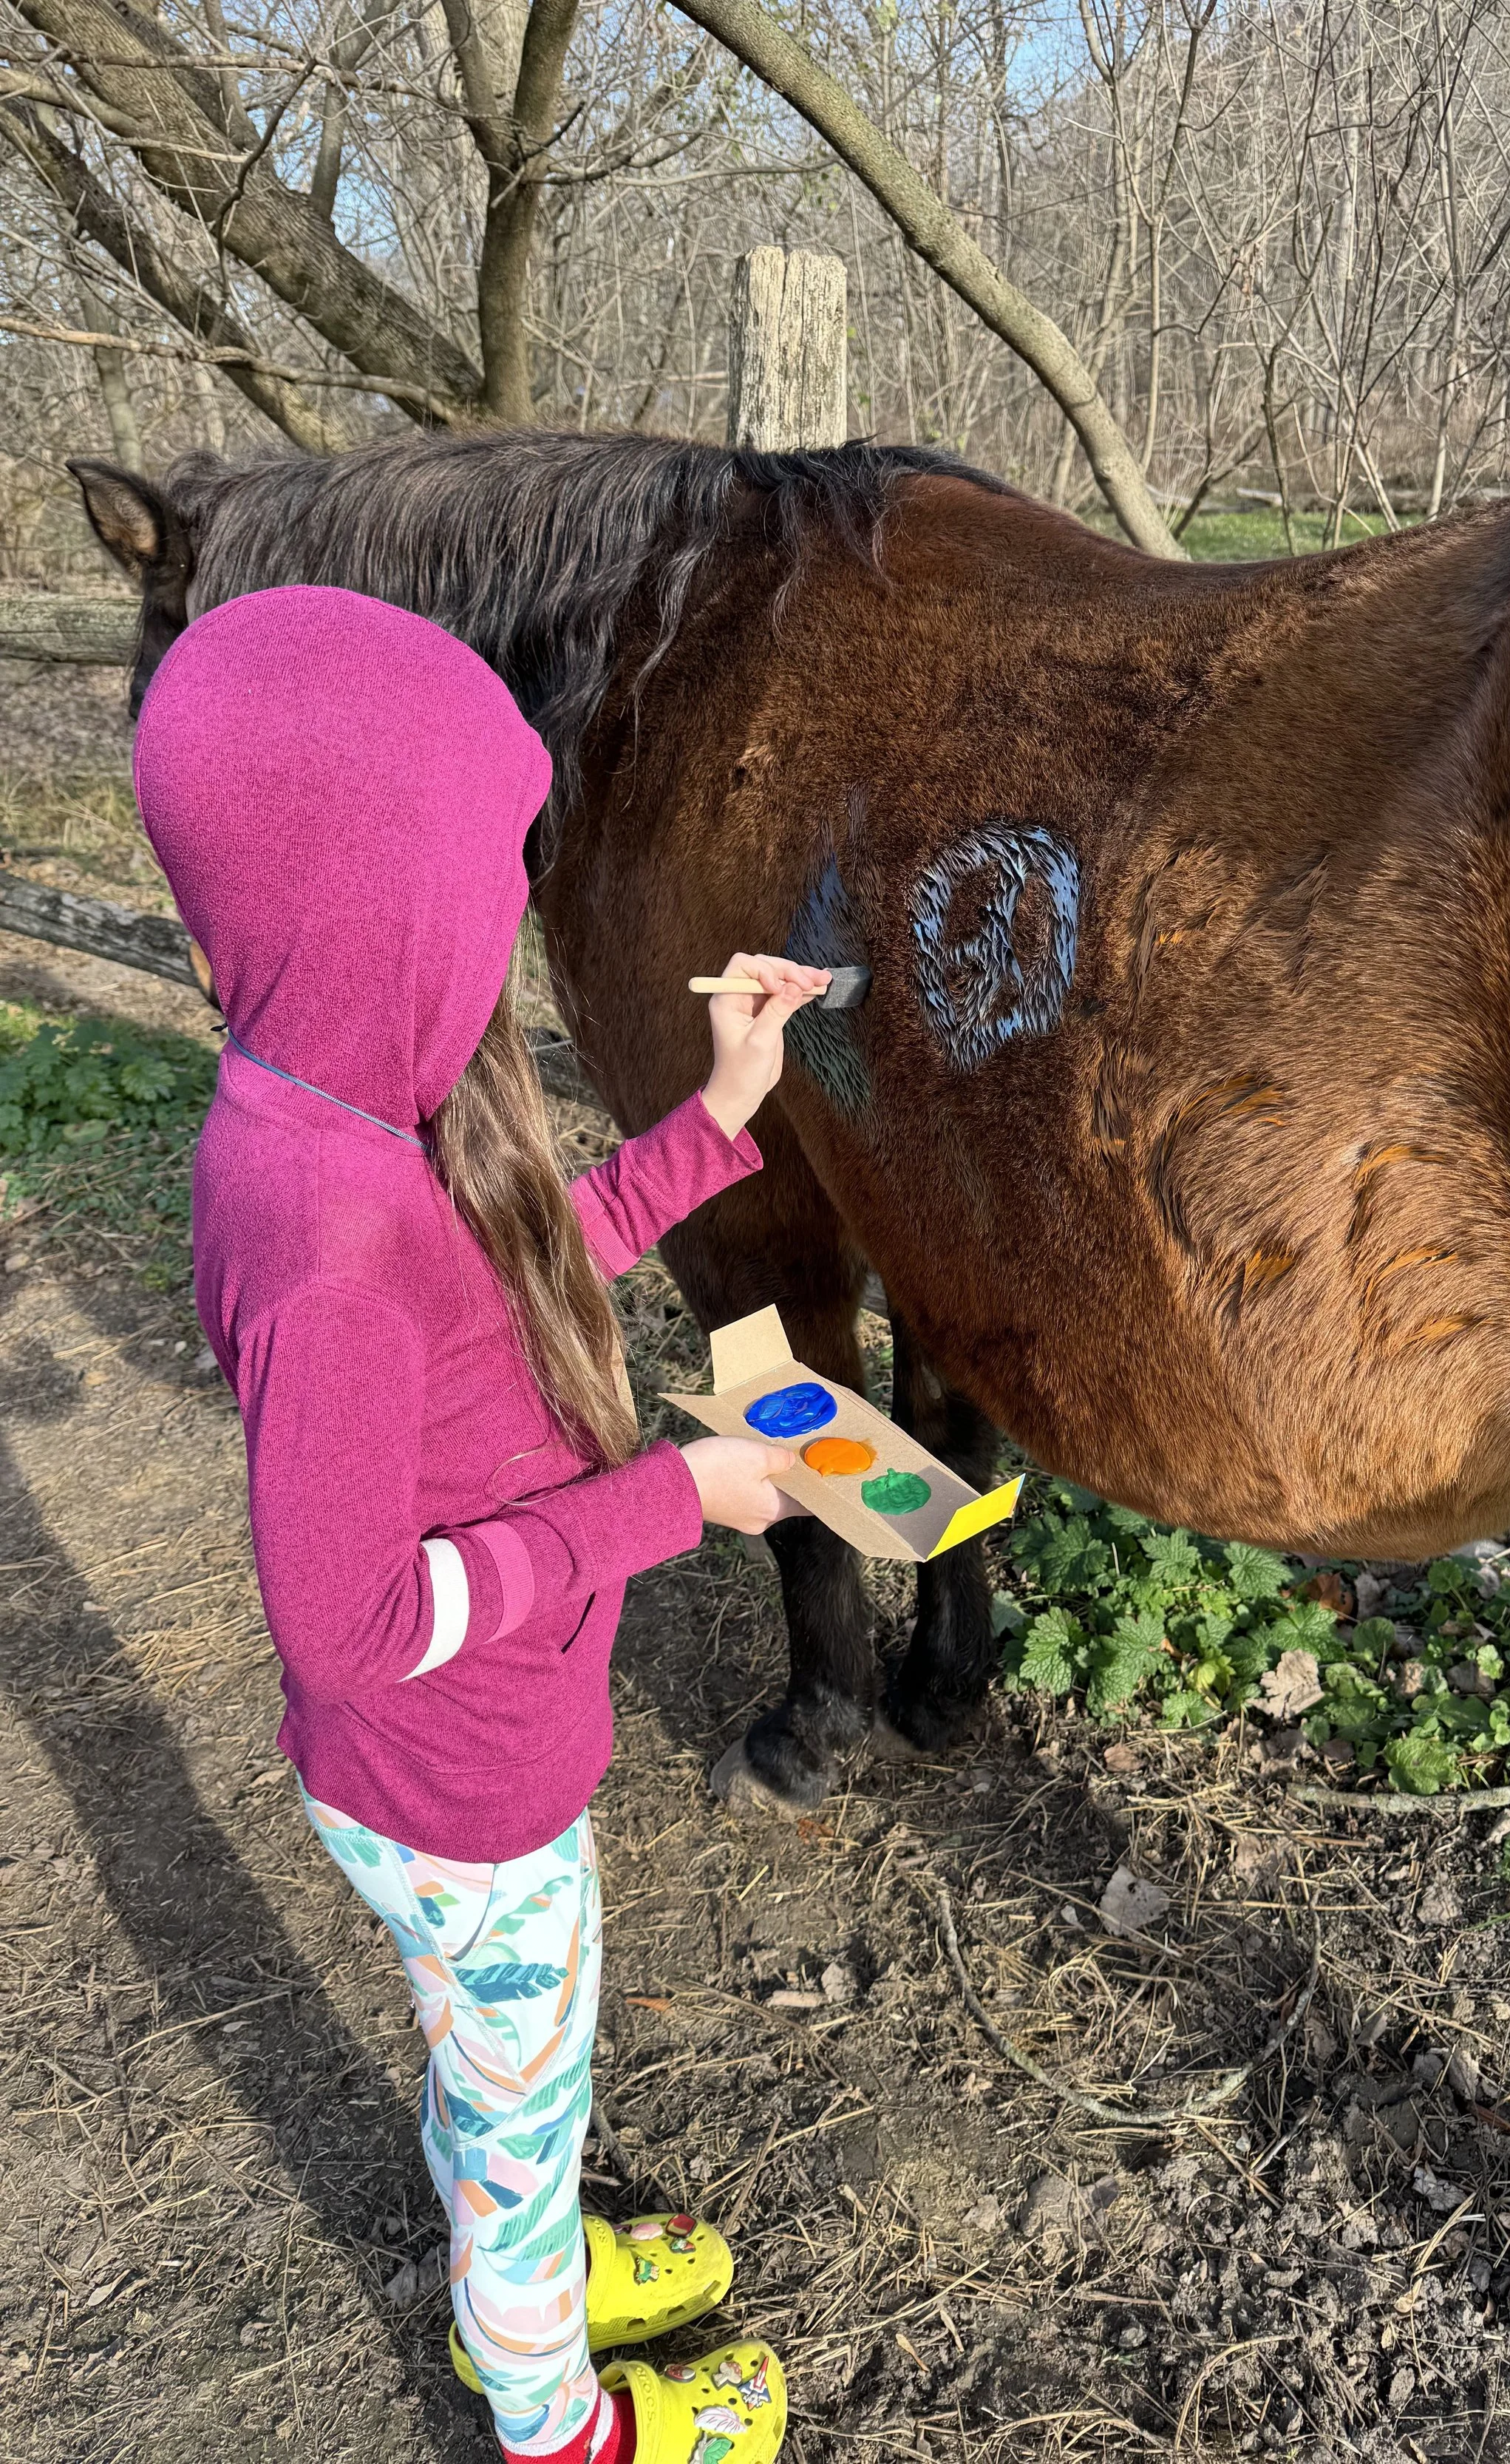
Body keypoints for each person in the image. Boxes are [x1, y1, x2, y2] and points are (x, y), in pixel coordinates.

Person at [132, 583, 824, 2464]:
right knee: (522, 2112)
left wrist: (719, 1115)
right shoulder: (325, 1240)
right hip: (459, 1787)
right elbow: (347, 1625)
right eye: (480, 895)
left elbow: (519, 1272)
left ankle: (517, 2266)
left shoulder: (350, 1108)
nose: (505, 933)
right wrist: (668, 1498)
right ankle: (546, 2408)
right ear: (375, 911)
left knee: (502, 2066)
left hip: (471, 1766)